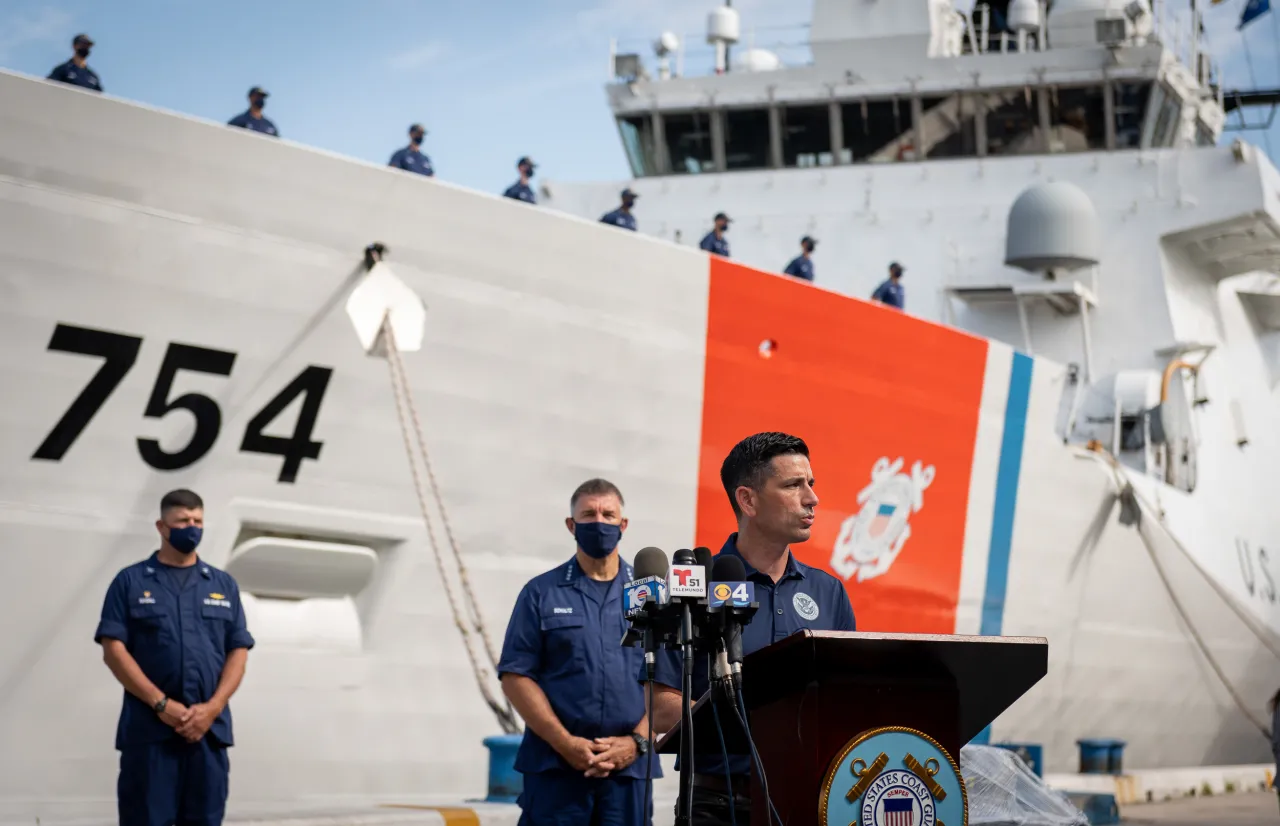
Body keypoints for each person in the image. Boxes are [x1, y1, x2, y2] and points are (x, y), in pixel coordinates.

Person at [647, 432, 856, 826]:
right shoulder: (694, 587)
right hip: (717, 805)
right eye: (794, 485)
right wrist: (751, 725)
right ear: (747, 500)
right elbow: (659, 707)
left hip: (810, 803)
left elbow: (845, 699)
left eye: (811, 484)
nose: (812, 498)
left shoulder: (829, 592)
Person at [498, 478, 661, 826]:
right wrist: (565, 743)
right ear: (571, 525)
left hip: (630, 772)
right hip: (555, 768)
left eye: (608, 513)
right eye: (588, 514)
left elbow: (672, 678)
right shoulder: (541, 592)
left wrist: (636, 742)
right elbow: (515, 675)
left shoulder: (651, 596)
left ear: (623, 524)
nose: (599, 521)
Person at [95, 489, 254, 826]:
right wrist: (161, 705)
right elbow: (114, 651)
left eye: (197, 520)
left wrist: (211, 709)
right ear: (162, 526)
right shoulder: (130, 581)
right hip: (150, 734)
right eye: (183, 521)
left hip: (208, 733)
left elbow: (237, 653)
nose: (192, 527)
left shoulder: (223, 585)